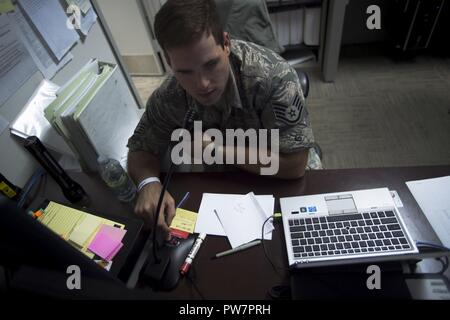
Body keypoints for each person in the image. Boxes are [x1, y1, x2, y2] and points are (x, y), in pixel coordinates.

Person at [126, 0, 322, 239]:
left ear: (226, 44)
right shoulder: (171, 94)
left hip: (283, 177)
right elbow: (140, 146)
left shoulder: (274, 78)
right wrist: (148, 184)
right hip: (226, 187)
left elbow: (295, 166)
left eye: (211, 64)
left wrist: (216, 150)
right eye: (185, 72)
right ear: (170, 63)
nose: (202, 84)